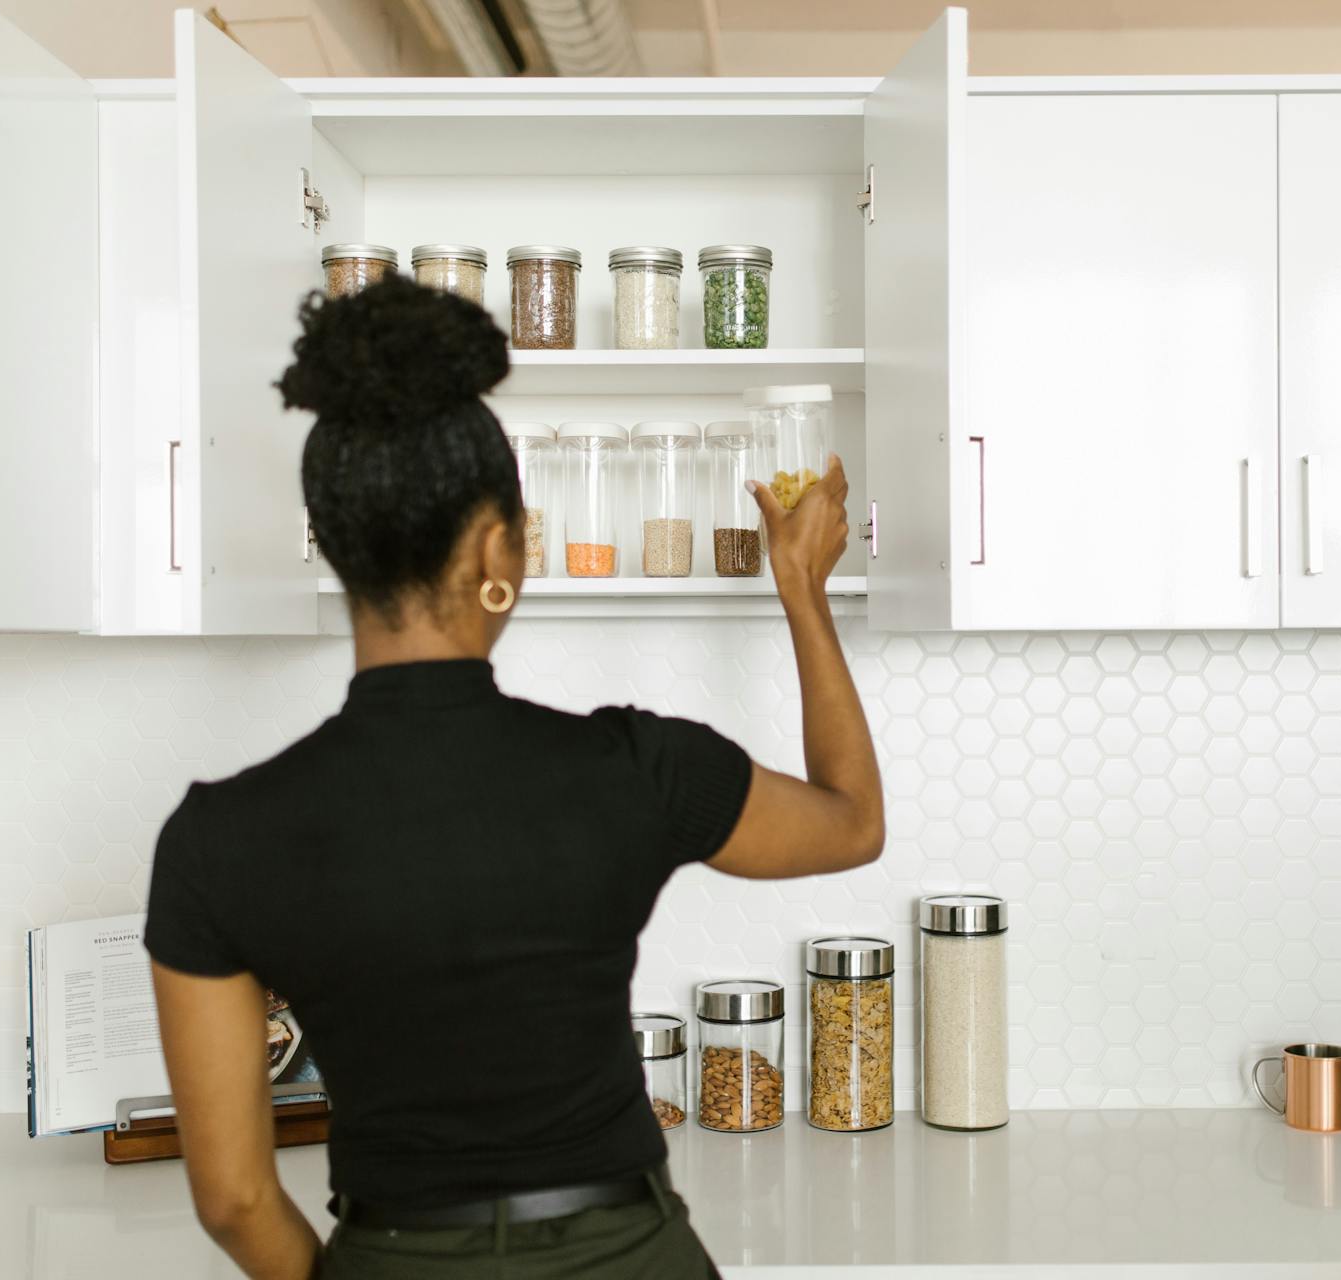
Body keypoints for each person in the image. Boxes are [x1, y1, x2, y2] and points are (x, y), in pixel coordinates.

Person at [142, 277, 884, 1280]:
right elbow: (850, 821)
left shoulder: (215, 839)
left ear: (335, 543)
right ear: (499, 549)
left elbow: (232, 1196)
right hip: (630, 1252)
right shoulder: (633, 767)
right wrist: (800, 584)